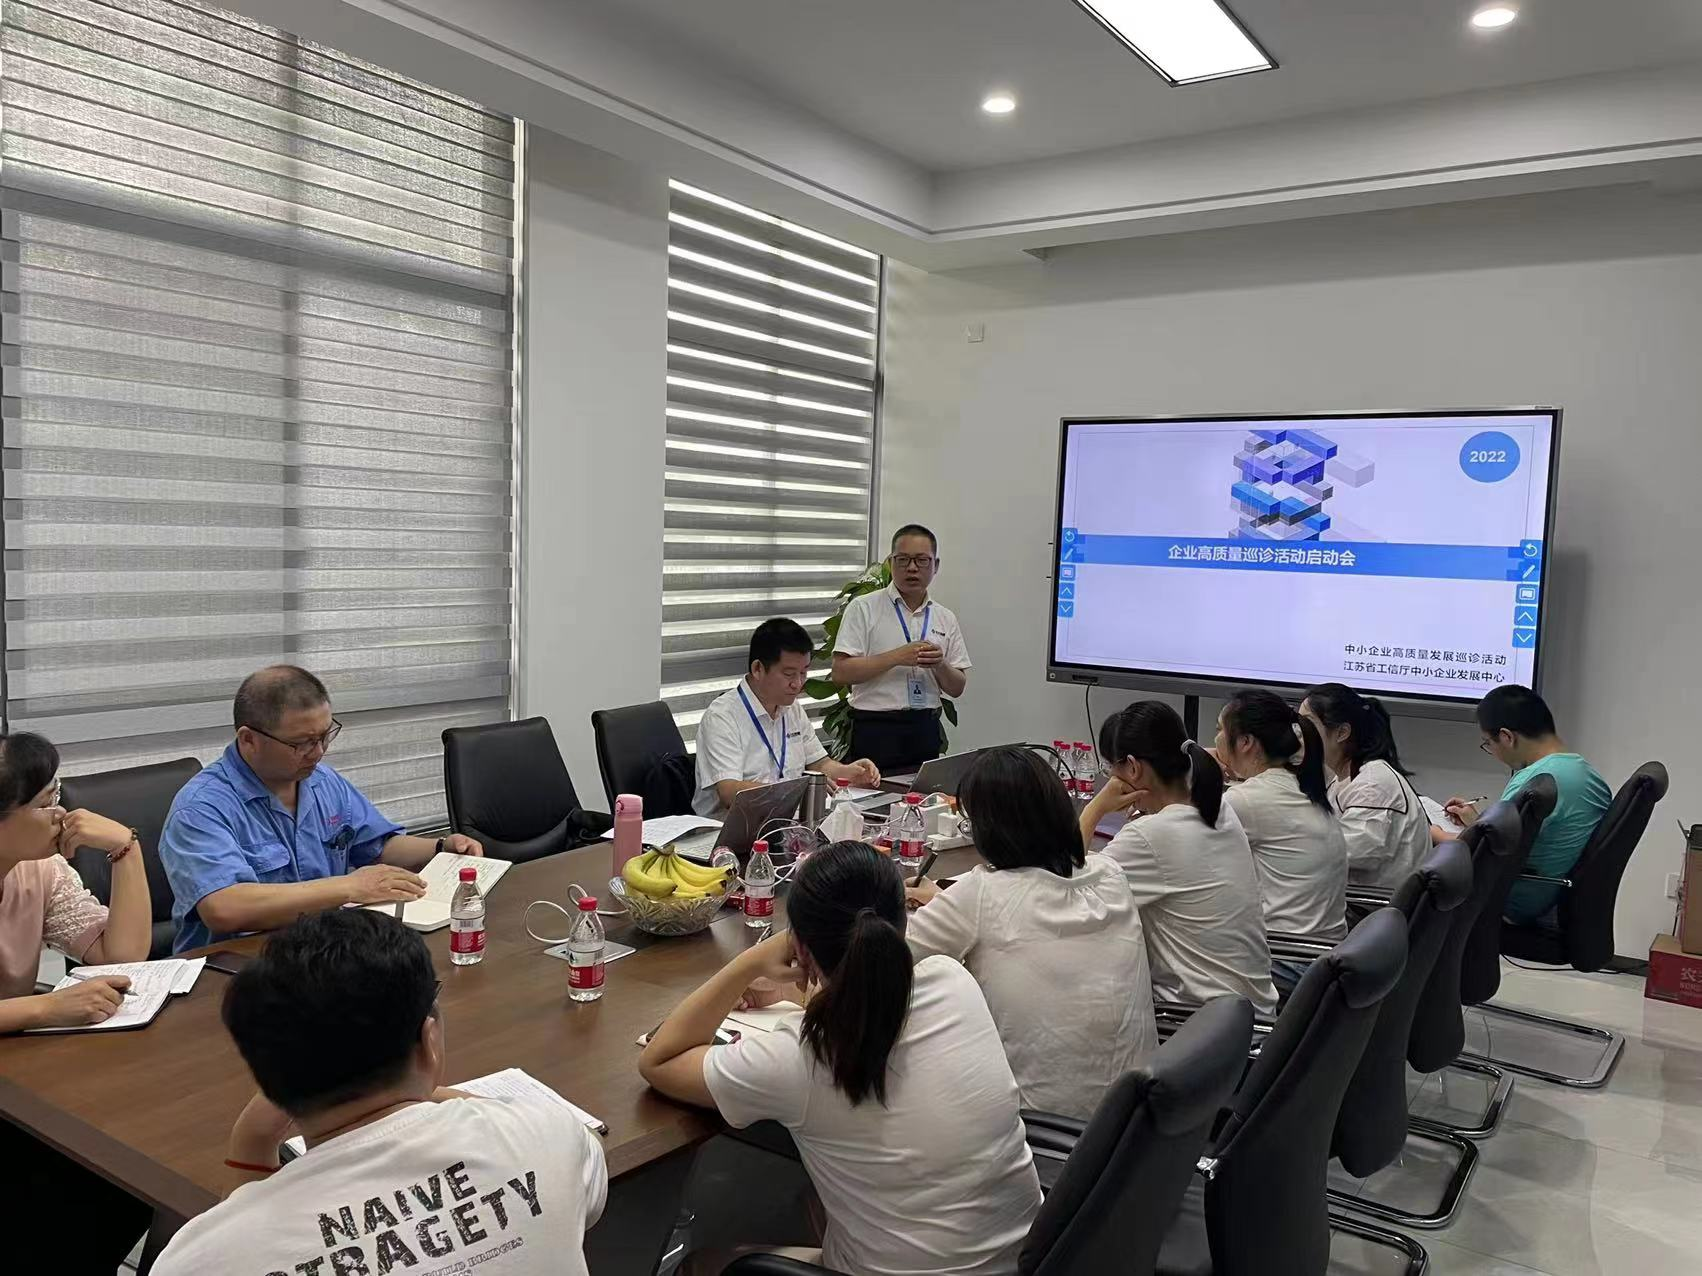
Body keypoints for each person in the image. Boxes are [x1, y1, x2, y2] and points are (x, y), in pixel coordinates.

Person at [639, 841, 1041, 1275]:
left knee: (702, 1264)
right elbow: (872, 999)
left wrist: (749, 963)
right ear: (903, 919)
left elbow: (660, 1061)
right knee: (816, 1201)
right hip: (1027, 1259)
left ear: (800, 947)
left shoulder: (800, 1056)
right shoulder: (953, 981)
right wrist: (798, 985)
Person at [153, 909, 606, 1276]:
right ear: (429, 1039)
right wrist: (434, 1091)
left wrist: (251, 1143)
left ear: (267, 1076)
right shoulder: (549, 1137)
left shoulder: (199, 1259)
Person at [904, 746, 1156, 1121]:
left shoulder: (981, 894)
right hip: (1134, 1118)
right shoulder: (1110, 874)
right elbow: (1035, 897)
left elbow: (887, 956)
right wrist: (947, 901)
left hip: (1040, 1125)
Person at [160, 666, 483, 953]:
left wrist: (440, 848)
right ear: (249, 740)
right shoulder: (201, 807)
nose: (318, 753)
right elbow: (224, 908)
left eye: (325, 736)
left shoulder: (322, 781)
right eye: (301, 743)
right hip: (235, 968)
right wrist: (349, 887)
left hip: (321, 954)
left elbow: (376, 846)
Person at [0, 731, 153, 1268]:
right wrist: (45, 1008)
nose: (62, 815)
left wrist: (126, 850)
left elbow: (123, 955)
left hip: (16, 1074)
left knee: (125, 1172)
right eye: (47, 803)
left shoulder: (37, 869)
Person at [1082, 702, 1279, 1016]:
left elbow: (1065, 889)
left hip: (1197, 1027)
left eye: (1110, 770)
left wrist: (1095, 808)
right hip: (1248, 1020)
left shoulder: (1150, 836)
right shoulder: (1219, 809)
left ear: (1132, 768)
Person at [1442, 685, 1611, 927]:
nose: (1492, 751)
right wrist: (1477, 823)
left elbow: (1485, 852)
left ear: (1507, 737)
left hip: (1514, 902)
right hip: (1553, 898)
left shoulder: (1535, 780)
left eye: (1488, 743)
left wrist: (1433, 833)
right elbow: (1515, 836)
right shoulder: (1585, 774)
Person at [694, 619, 880, 818]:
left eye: (804, 672)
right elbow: (730, 792)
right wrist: (794, 791)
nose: (798, 684)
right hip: (729, 828)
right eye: (789, 674)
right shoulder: (722, 716)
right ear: (758, 669)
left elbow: (820, 764)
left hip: (785, 822)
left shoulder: (791, 708)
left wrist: (849, 772)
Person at [832, 525, 971, 774]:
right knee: (871, 796)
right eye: (903, 560)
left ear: (935, 565)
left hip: (924, 728)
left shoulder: (945, 617)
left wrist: (940, 664)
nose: (912, 568)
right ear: (890, 562)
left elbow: (957, 687)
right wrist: (896, 657)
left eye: (921, 560)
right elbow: (841, 672)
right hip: (875, 729)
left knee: (923, 795)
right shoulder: (863, 608)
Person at [1216, 689, 1349, 947]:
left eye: (1220, 729)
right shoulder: (1301, 783)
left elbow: (1185, 849)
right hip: (1322, 950)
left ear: (1246, 742)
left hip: (1285, 953)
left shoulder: (1247, 800)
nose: (1216, 738)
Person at [1301, 683, 1432, 890]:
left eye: (1307, 724)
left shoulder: (1372, 784)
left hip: (1367, 903)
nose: (1299, 734)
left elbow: (1355, 852)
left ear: (1342, 732)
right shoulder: (1348, 776)